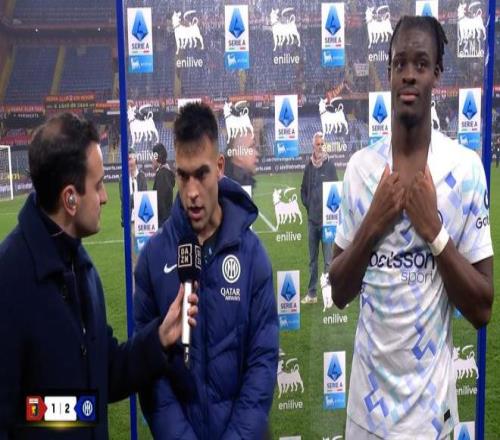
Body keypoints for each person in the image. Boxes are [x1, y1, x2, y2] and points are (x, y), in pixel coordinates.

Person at [329, 16, 493, 439]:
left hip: (431, 420)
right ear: (388, 72)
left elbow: (481, 308)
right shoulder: (361, 170)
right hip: (367, 416)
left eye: (420, 64)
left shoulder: (464, 170)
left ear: (437, 73)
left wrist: (434, 232)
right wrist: (373, 223)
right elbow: (339, 292)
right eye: (399, 63)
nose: (408, 74)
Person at [0, 113, 198, 439]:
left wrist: (160, 337)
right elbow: (15, 412)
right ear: (70, 198)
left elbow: (105, 372)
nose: (105, 197)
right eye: (98, 185)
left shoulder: (83, 269)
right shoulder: (10, 280)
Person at [134, 103, 278, 439]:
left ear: (220, 166)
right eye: (183, 176)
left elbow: (262, 362)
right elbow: (151, 375)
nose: (192, 192)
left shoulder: (253, 256)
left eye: (201, 174)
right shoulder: (154, 258)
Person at [300, 131, 338, 304]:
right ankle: (312, 294)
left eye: (323, 144)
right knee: (312, 261)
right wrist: (308, 204)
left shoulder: (330, 166)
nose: (321, 147)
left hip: (327, 222)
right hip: (312, 221)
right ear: (313, 146)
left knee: (329, 261)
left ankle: (330, 295)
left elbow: (336, 191)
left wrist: (331, 212)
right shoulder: (308, 167)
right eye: (318, 144)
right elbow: (303, 189)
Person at [119, 147, 147, 226]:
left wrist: (131, 198)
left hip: (141, 219)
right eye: (127, 159)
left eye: (131, 159)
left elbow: (143, 197)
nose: (129, 162)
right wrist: (136, 198)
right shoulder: (122, 178)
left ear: (136, 160)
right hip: (127, 220)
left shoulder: (142, 176)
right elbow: (123, 198)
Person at [152, 142, 175, 227]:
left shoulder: (162, 175)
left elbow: (161, 202)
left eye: (153, 156)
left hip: (163, 223)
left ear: (157, 157)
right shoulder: (165, 173)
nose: (152, 160)